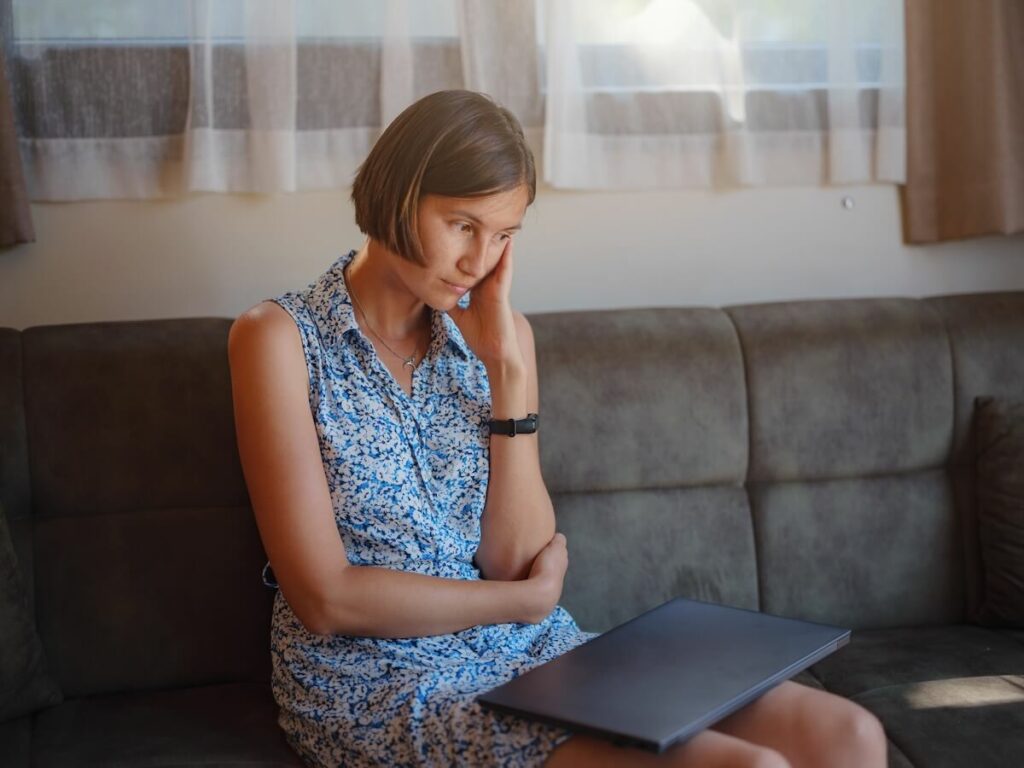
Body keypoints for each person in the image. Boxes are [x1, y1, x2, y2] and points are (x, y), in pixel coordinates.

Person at [227, 89, 888, 768]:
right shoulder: (279, 338)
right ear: (397, 196)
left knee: (849, 735)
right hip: (373, 681)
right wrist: (518, 600)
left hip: (520, 647)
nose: (479, 260)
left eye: (505, 235)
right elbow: (325, 598)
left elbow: (516, 559)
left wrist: (507, 375)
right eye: (462, 224)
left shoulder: (503, 338)